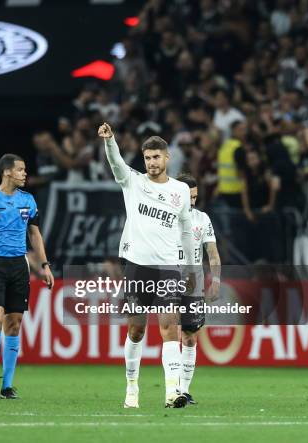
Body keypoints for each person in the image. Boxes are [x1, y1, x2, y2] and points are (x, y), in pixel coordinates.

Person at [98, 122, 196, 409]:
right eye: (147, 158)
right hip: (137, 266)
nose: (152, 162)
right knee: (137, 331)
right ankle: (131, 387)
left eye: (156, 157)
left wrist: (190, 268)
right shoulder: (134, 182)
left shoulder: (180, 190)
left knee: (169, 328)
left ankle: (172, 391)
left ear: (167, 158)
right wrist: (110, 140)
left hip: (168, 268)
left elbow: (187, 231)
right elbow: (116, 163)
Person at [0, 154, 54, 400]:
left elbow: (35, 235)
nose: (25, 174)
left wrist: (45, 265)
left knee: (13, 324)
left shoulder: (28, 200)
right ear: (7, 172)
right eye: (21, 170)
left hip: (19, 265)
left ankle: (7, 385)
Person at [176, 174, 221, 405]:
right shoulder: (166, 218)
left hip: (193, 284)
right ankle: (172, 389)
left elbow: (212, 253)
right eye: (188, 196)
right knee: (173, 334)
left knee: (190, 337)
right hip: (168, 280)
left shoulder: (202, 219)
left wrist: (216, 280)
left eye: (195, 196)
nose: (192, 201)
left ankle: (184, 390)